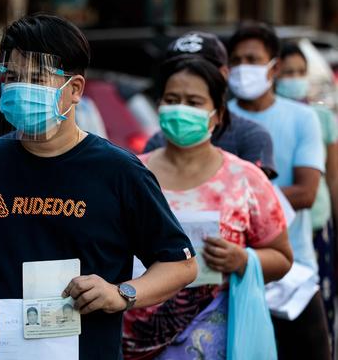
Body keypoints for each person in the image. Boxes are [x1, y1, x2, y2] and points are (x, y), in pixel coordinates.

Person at [0, 14, 198, 359]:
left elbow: (180, 264)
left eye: (36, 78)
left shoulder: (118, 172)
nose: (21, 88)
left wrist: (121, 293)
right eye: (13, 77)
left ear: (76, 89)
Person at [122, 55, 292, 359]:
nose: (181, 109)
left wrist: (243, 259)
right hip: (131, 342)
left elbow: (282, 258)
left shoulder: (246, 179)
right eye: (172, 99)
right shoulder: (129, 173)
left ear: (217, 115)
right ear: (159, 105)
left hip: (212, 342)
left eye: (194, 101)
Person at [226, 21, 330, 360]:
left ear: (275, 66)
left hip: (293, 268)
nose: (244, 69)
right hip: (233, 270)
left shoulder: (302, 118)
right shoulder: (220, 118)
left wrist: (240, 203)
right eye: (237, 60)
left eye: (253, 60)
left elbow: (307, 193)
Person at [144, 31, 278, 179]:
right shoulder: (157, 143)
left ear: (224, 74)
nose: (186, 76)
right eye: (177, 70)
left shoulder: (250, 136)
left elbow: (256, 195)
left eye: (200, 70)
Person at [275, 42, 338, 352]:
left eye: (300, 72)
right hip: (279, 231)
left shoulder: (320, 117)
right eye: (287, 72)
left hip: (317, 224)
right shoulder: (263, 119)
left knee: (318, 303)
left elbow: (333, 176)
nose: (294, 78)